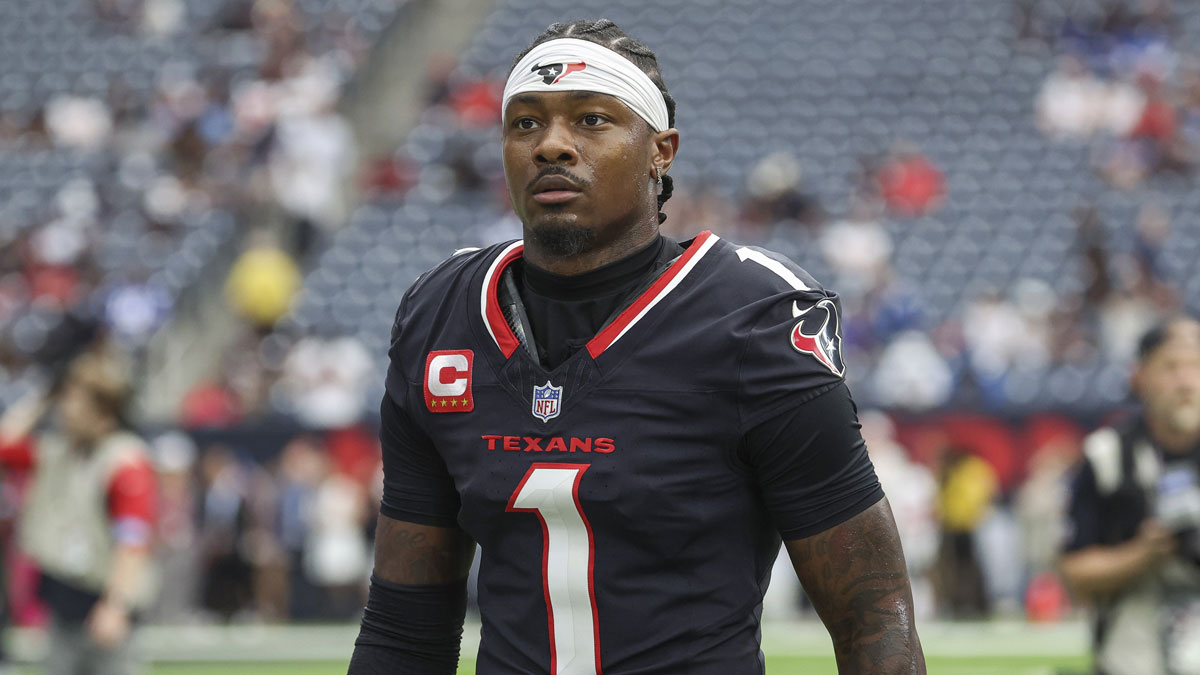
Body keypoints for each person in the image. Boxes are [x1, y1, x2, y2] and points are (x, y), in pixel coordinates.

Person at [349, 19, 924, 675]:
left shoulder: (752, 316)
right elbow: (404, 628)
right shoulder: (441, 313)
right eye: (525, 123)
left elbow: (875, 620)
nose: (552, 146)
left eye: (591, 120)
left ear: (661, 151)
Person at [0, 352, 158, 675]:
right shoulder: (59, 451)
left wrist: (116, 605)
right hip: (62, 599)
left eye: (77, 402)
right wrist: (44, 397)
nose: (66, 411)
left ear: (104, 412)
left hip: (102, 602)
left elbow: (133, 540)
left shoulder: (124, 461)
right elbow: (4, 444)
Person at [1059, 318, 1200, 675]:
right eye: (1171, 367)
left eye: (1196, 366)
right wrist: (1142, 554)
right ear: (1139, 377)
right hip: (1132, 649)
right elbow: (1075, 573)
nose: (1186, 382)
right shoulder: (1106, 457)